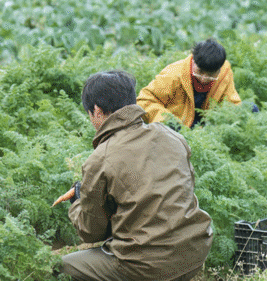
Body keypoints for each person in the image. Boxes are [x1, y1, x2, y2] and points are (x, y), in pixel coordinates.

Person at [56, 70, 213, 281]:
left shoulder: (100, 159)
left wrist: (78, 200)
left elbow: (91, 232)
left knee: (62, 267)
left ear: (97, 111)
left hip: (146, 266)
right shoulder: (172, 136)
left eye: (90, 114)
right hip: (195, 252)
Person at [137, 38, 241, 128]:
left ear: (219, 69)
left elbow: (232, 103)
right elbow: (144, 101)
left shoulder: (225, 73)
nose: (204, 79)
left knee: (251, 108)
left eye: (210, 74)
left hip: (207, 129)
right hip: (178, 128)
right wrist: (168, 121)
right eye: (200, 72)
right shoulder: (174, 74)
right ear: (193, 61)